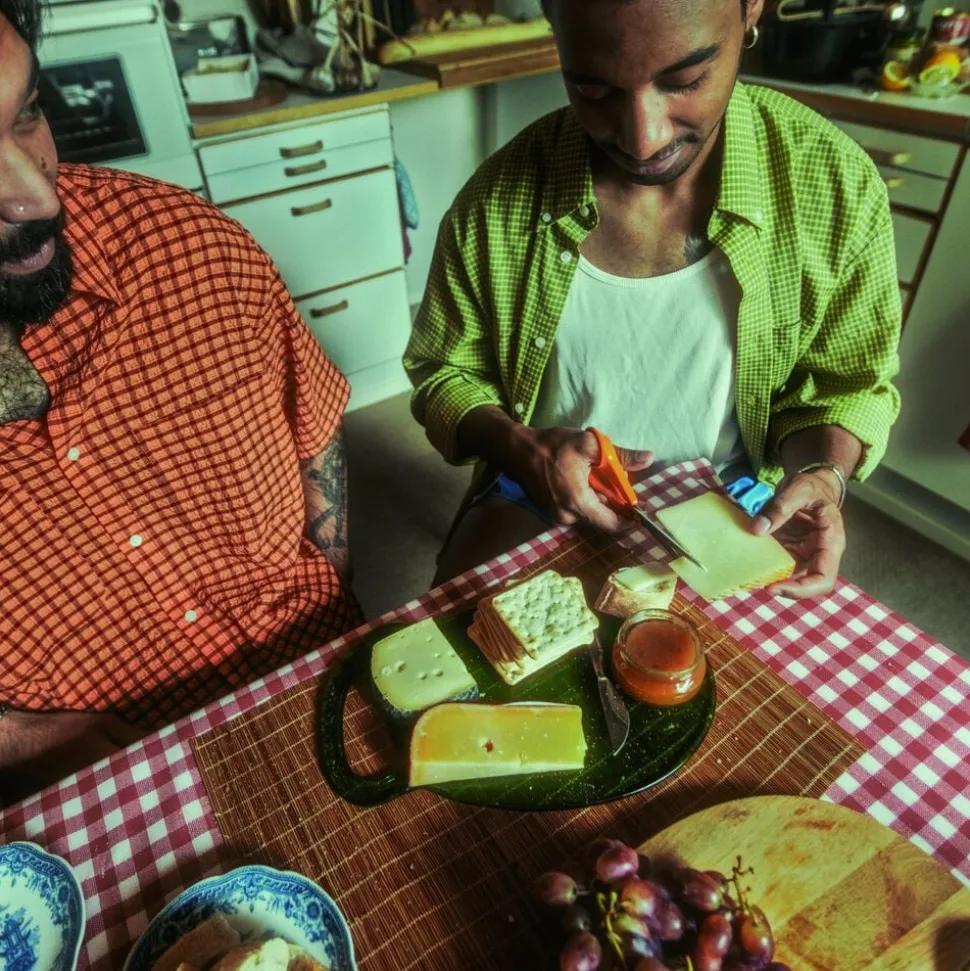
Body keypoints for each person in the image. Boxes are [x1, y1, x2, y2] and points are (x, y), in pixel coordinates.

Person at [405, 0, 901, 594]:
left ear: (750, 10)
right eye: (594, 90)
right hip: (540, 490)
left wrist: (822, 475)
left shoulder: (835, 186)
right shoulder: (495, 201)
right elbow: (444, 371)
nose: (643, 139)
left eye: (686, 79)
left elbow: (844, 387)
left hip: (733, 500)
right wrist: (522, 448)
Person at [0, 0, 360, 802]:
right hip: (107, 790)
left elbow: (314, 421)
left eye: (27, 112)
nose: (37, 198)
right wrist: (35, 741)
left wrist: (329, 596)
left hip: (319, 679)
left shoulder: (181, 244)